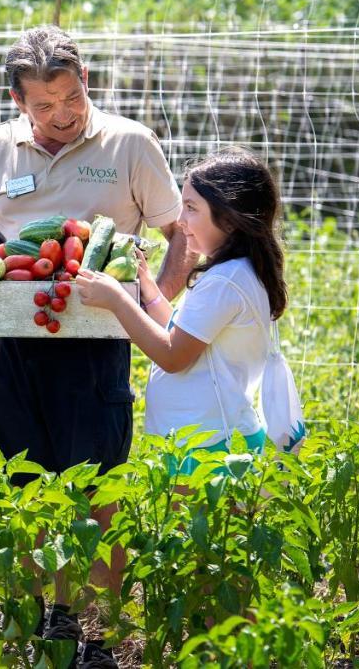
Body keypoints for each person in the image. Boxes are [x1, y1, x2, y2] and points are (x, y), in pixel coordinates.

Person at [0, 25, 191, 665]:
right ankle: (43, 621)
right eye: (42, 105)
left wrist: (148, 306)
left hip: (96, 346)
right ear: (18, 101)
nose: (59, 115)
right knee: (18, 481)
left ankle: (97, 630)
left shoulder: (131, 143)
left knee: (98, 486)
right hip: (11, 340)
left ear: (86, 84)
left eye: (70, 98)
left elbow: (179, 236)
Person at [76, 148, 286, 473]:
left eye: (191, 208)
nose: (181, 221)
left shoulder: (224, 281)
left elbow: (173, 356)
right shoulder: (234, 272)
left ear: (229, 219)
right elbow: (183, 333)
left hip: (210, 448)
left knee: (199, 525)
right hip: (211, 437)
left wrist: (118, 300)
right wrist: (149, 288)